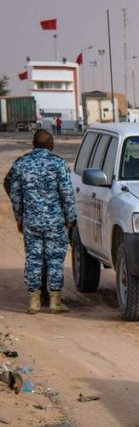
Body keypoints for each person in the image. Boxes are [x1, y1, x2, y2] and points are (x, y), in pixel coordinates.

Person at [9, 129, 76, 314]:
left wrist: (19, 217)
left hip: (31, 222)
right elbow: (67, 194)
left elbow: (15, 194)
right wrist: (70, 218)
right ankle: (55, 302)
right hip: (55, 222)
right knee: (55, 260)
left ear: (33, 144)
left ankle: (34, 302)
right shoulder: (58, 164)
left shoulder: (21, 164)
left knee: (33, 259)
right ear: (51, 144)